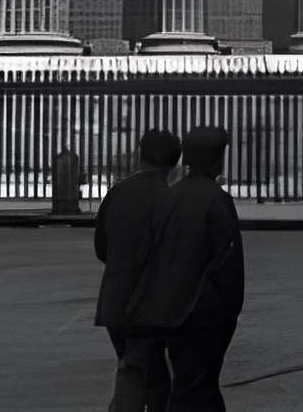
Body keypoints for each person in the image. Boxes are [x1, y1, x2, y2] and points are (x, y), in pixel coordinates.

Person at [124, 125, 245, 412]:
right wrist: (227, 312)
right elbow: (227, 266)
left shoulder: (169, 196)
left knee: (187, 383)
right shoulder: (217, 200)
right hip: (204, 313)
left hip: (171, 310)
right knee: (199, 388)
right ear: (217, 159)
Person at [91, 129, 183, 412]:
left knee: (139, 370)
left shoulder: (118, 191)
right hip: (151, 304)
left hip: (115, 301)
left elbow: (101, 247)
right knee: (143, 375)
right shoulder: (172, 198)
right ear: (174, 162)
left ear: (139, 156)